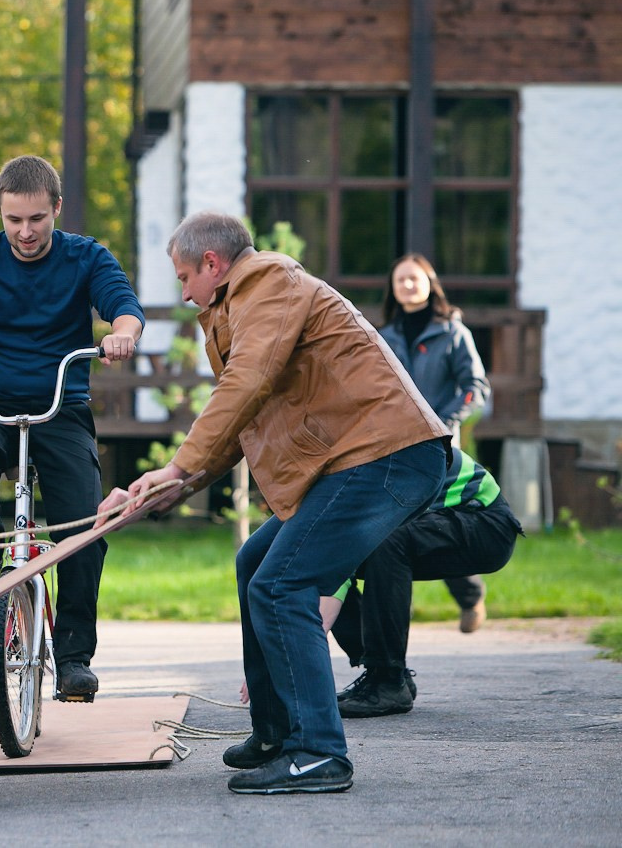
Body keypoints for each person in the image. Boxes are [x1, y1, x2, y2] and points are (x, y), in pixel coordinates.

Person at [97, 211, 451, 795]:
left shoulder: (268, 283)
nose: (184, 293)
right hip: (359, 459)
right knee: (256, 566)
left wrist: (179, 464)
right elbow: (243, 423)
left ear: (213, 264)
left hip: (387, 455)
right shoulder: (238, 306)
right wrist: (165, 489)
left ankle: (318, 754)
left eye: (184, 277)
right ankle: (276, 733)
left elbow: (245, 383)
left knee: (281, 584)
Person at [0, 155, 144, 702]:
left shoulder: (85, 256)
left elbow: (124, 306)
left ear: (56, 209)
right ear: (0, 211)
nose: (24, 232)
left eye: (36, 219)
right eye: (13, 219)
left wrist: (122, 334)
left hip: (62, 406)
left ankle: (73, 658)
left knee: (84, 529)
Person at [328, 446, 523, 718]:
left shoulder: (365, 451)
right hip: (442, 518)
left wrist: (310, 640)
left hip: (485, 520)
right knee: (330, 558)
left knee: (385, 542)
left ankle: (387, 680)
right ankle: (386, 676)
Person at [381, 253, 492, 632]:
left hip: (441, 450)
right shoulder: (384, 336)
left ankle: (470, 596)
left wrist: (441, 423)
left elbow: (475, 387)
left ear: (430, 283)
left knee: (437, 525)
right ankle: (392, 611)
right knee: (391, 529)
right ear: (393, 289)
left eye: (414, 279)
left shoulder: (453, 332)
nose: (408, 285)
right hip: (395, 449)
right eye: (401, 280)